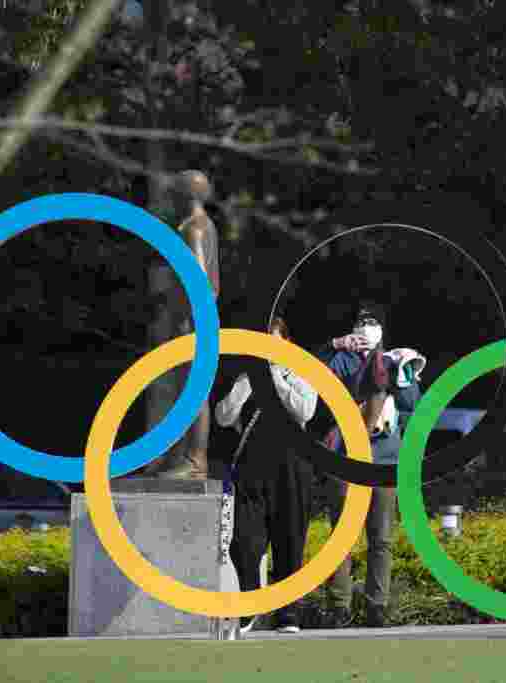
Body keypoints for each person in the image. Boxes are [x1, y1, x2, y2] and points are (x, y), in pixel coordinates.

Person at [316, 302, 423, 628]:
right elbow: (317, 387)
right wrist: (337, 347)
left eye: (373, 321)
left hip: (385, 457)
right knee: (342, 536)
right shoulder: (342, 359)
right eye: (362, 321)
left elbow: (411, 405)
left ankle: (377, 605)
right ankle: (340, 606)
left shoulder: (395, 360)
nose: (367, 326)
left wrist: (402, 374)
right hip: (347, 455)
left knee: (381, 538)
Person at [215, 316, 318, 634]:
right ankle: (250, 604)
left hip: (292, 468)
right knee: (243, 541)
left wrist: (275, 376)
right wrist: (248, 384)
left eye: (273, 340)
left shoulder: (300, 373)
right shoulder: (246, 377)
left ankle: (288, 614)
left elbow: (305, 411)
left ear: (287, 343)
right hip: (251, 468)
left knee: (290, 541)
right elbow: (223, 417)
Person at [144, 170, 220, 480]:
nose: (170, 198)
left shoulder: (192, 229)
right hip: (194, 319)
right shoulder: (205, 225)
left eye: (174, 192)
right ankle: (180, 455)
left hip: (193, 322)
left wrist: (185, 315)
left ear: (185, 195)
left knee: (193, 392)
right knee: (185, 392)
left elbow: (199, 282)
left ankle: (194, 459)